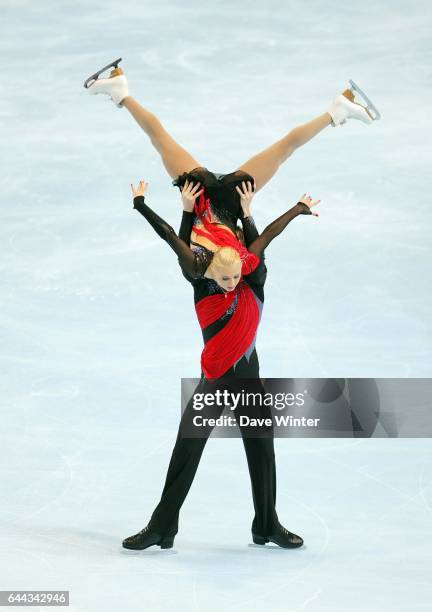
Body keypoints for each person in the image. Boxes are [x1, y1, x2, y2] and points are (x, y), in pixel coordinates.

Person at [121, 177, 320, 551]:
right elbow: (172, 240)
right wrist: (146, 206)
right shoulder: (200, 279)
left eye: (237, 276)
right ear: (211, 269)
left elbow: (266, 239)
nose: (232, 283)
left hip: (249, 380)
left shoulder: (252, 277)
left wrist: (289, 210)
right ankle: (162, 526)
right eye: (225, 277)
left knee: (262, 449)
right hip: (214, 380)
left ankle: (266, 524)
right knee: (188, 448)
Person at [86, 63, 371, 252]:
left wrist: (248, 210)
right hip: (200, 193)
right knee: (159, 138)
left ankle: (337, 110)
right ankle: (121, 92)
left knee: (285, 147)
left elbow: (262, 237)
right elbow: (177, 238)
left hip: (233, 197)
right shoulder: (201, 268)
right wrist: (185, 207)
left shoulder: (240, 267)